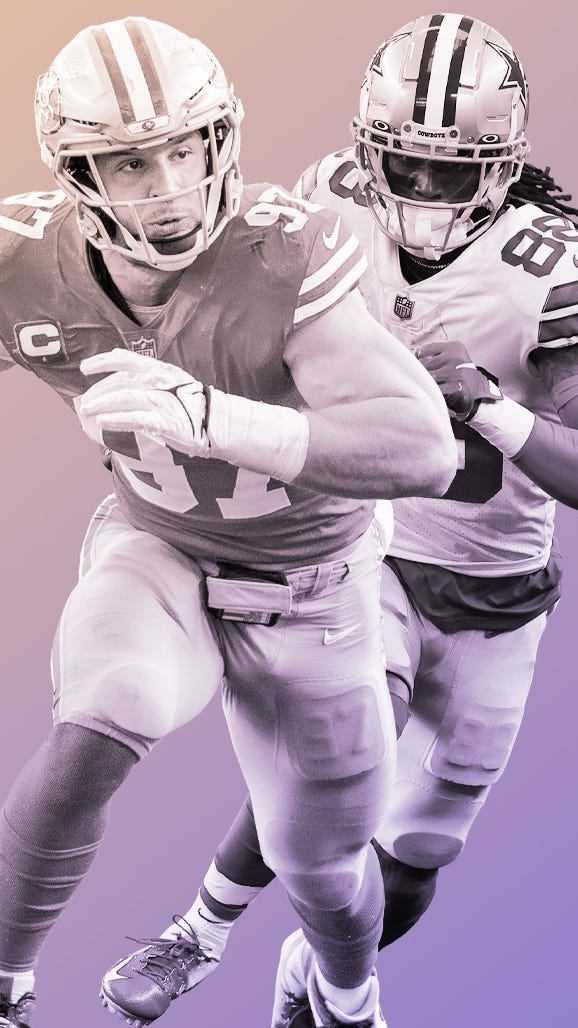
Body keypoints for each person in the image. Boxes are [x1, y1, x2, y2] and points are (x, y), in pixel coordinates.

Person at [99, 12, 578, 1028]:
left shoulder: (551, 266)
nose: (413, 192)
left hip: (495, 591)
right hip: (368, 547)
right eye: (394, 162)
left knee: (414, 858)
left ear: (500, 166)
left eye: (446, 174)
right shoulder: (324, 197)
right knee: (330, 762)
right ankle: (202, 924)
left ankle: (309, 969)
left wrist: (489, 404)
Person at [0, 15, 457, 1028]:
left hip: (314, 588)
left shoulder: (289, 247)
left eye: (180, 145)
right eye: (126, 160)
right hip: (159, 547)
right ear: (78, 168)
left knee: (323, 870)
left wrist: (215, 417)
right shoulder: (20, 256)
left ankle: (337, 990)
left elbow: (419, 446)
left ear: (222, 138)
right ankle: (4, 981)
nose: (163, 183)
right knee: (105, 712)